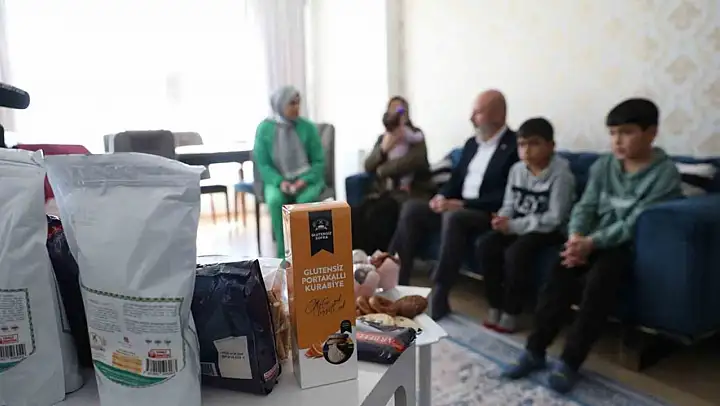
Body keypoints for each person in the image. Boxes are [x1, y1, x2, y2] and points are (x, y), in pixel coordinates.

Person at [502, 98, 682, 393]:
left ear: (651, 133)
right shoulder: (604, 165)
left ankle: (570, 362)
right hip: (588, 240)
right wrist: (575, 237)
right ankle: (534, 351)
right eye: (612, 133)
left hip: (625, 247)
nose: (617, 141)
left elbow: (633, 223)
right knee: (558, 272)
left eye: (627, 132)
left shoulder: (664, 174)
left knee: (599, 283)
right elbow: (585, 206)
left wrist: (592, 242)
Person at [391, 89, 519, 320]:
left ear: (498, 115)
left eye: (478, 113)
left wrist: (462, 204)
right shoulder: (472, 144)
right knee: (412, 208)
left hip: (484, 212)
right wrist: (441, 197)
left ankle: (440, 291)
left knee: (454, 217)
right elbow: (455, 180)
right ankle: (399, 282)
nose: (471, 118)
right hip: (457, 207)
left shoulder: (514, 147)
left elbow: (504, 195)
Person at [477, 117, 575, 334]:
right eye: (522, 145)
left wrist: (513, 226)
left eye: (534, 143)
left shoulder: (561, 175)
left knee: (517, 252)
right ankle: (495, 304)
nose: (527, 150)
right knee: (486, 244)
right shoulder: (517, 170)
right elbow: (509, 204)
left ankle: (512, 311)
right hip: (519, 223)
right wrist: (502, 219)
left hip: (548, 230)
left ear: (551, 146)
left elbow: (555, 218)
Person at [352, 96, 434, 254]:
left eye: (400, 109)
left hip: (409, 193)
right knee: (356, 213)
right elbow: (368, 165)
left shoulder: (415, 135)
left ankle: (380, 260)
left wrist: (382, 170)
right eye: (392, 109)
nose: (396, 113)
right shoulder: (383, 138)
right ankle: (359, 258)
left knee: (380, 213)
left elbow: (415, 161)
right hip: (384, 192)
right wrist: (383, 150)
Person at [254, 86, 326, 258]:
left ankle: (306, 253)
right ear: (280, 104)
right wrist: (280, 182)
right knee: (275, 200)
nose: (296, 107)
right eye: (291, 103)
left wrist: (304, 180)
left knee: (304, 202)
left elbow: (319, 161)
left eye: (298, 103)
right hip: (277, 180)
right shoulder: (264, 128)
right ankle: (283, 256)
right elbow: (263, 164)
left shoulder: (307, 128)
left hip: (308, 179)